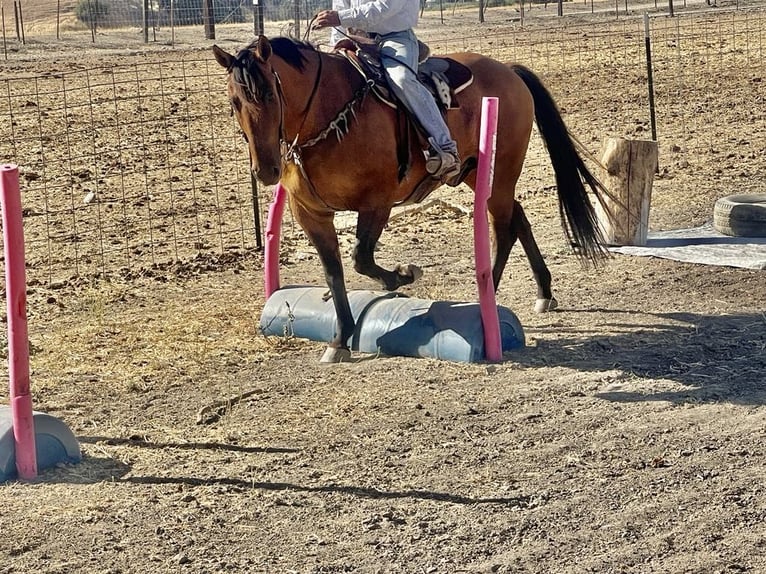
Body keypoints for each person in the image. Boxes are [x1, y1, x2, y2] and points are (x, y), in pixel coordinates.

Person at [313, 1, 461, 183]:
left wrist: (340, 18)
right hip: (354, 37)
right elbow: (340, 9)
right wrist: (336, 45)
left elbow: (387, 6)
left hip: (396, 38)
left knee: (401, 79)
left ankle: (446, 146)